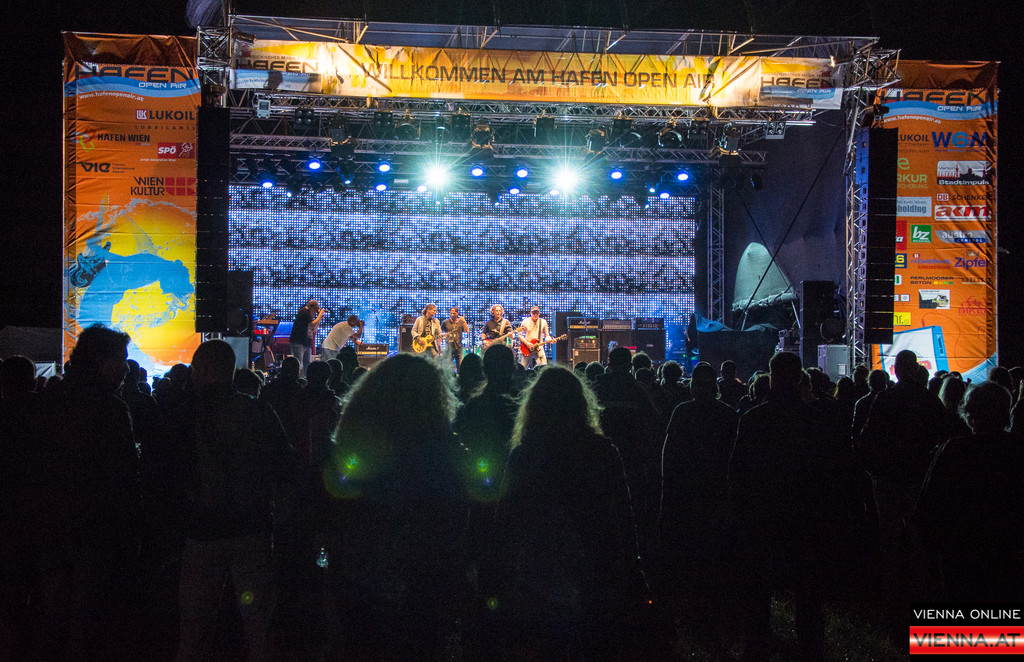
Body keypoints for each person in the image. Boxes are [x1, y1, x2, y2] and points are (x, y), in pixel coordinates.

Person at [492, 365, 649, 660]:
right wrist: (631, 566)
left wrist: (498, 572)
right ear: (580, 404)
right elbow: (623, 514)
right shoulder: (602, 451)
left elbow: (506, 519)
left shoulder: (524, 455)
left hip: (538, 570)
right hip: (594, 564)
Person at [172, 339, 296, 662]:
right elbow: (286, 467)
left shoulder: (183, 414)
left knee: (193, 632)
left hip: (201, 531)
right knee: (259, 630)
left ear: (198, 371)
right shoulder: (258, 411)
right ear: (232, 370)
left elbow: (166, 475)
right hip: (252, 529)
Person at [289, 299, 325, 376]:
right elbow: (312, 324)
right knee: (299, 363)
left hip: (306, 342)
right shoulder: (304, 312)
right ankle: (296, 379)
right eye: (315, 310)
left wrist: (320, 318)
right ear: (312, 307)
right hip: (298, 341)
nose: (315, 313)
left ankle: (306, 379)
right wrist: (320, 314)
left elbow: (313, 328)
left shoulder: (309, 315)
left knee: (307, 364)